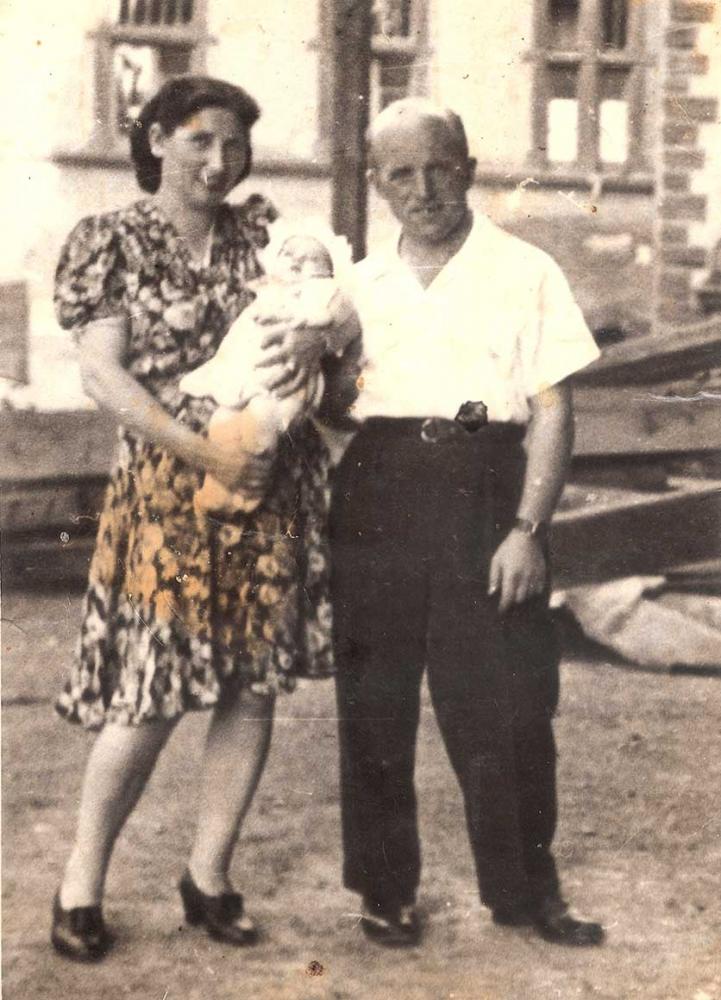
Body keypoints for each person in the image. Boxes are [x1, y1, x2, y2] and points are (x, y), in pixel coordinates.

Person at [50, 76, 337, 961]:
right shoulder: (111, 239)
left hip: (271, 486)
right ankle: (79, 888)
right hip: (172, 487)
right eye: (201, 142)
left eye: (234, 146)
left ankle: (208, 877)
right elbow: (104, 378)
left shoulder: (267, 235)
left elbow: (329, 324)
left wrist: (323, 339)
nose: (220, 162)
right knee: (151, 693)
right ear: (158, 141)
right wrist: (204, 452)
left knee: (252, 683)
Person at [328, 98, 605, 948]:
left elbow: (555, 410)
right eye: (401, 174)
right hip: (377, 490)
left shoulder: (524, 271)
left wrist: (527, 526)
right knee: (374, 703)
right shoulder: (358, 284)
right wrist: (321, 361)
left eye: (438, 167)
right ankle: (384, 889)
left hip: (486, 489)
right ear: (378, 184)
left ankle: (526, 890)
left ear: (470, 167)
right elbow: (336, 411)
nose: (423, 188)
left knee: (508, 704)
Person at [180, 227, 354, 520]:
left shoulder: (323, 291)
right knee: (223, 423)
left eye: (311, 258)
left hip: (283, 380)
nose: (297, 261)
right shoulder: (267, 290)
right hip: (248, 371)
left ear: (328, 270)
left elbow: (339, 316)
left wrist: (317, 328)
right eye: (289, 254)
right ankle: (217, 494)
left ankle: (247, 494)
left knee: (261, 423)